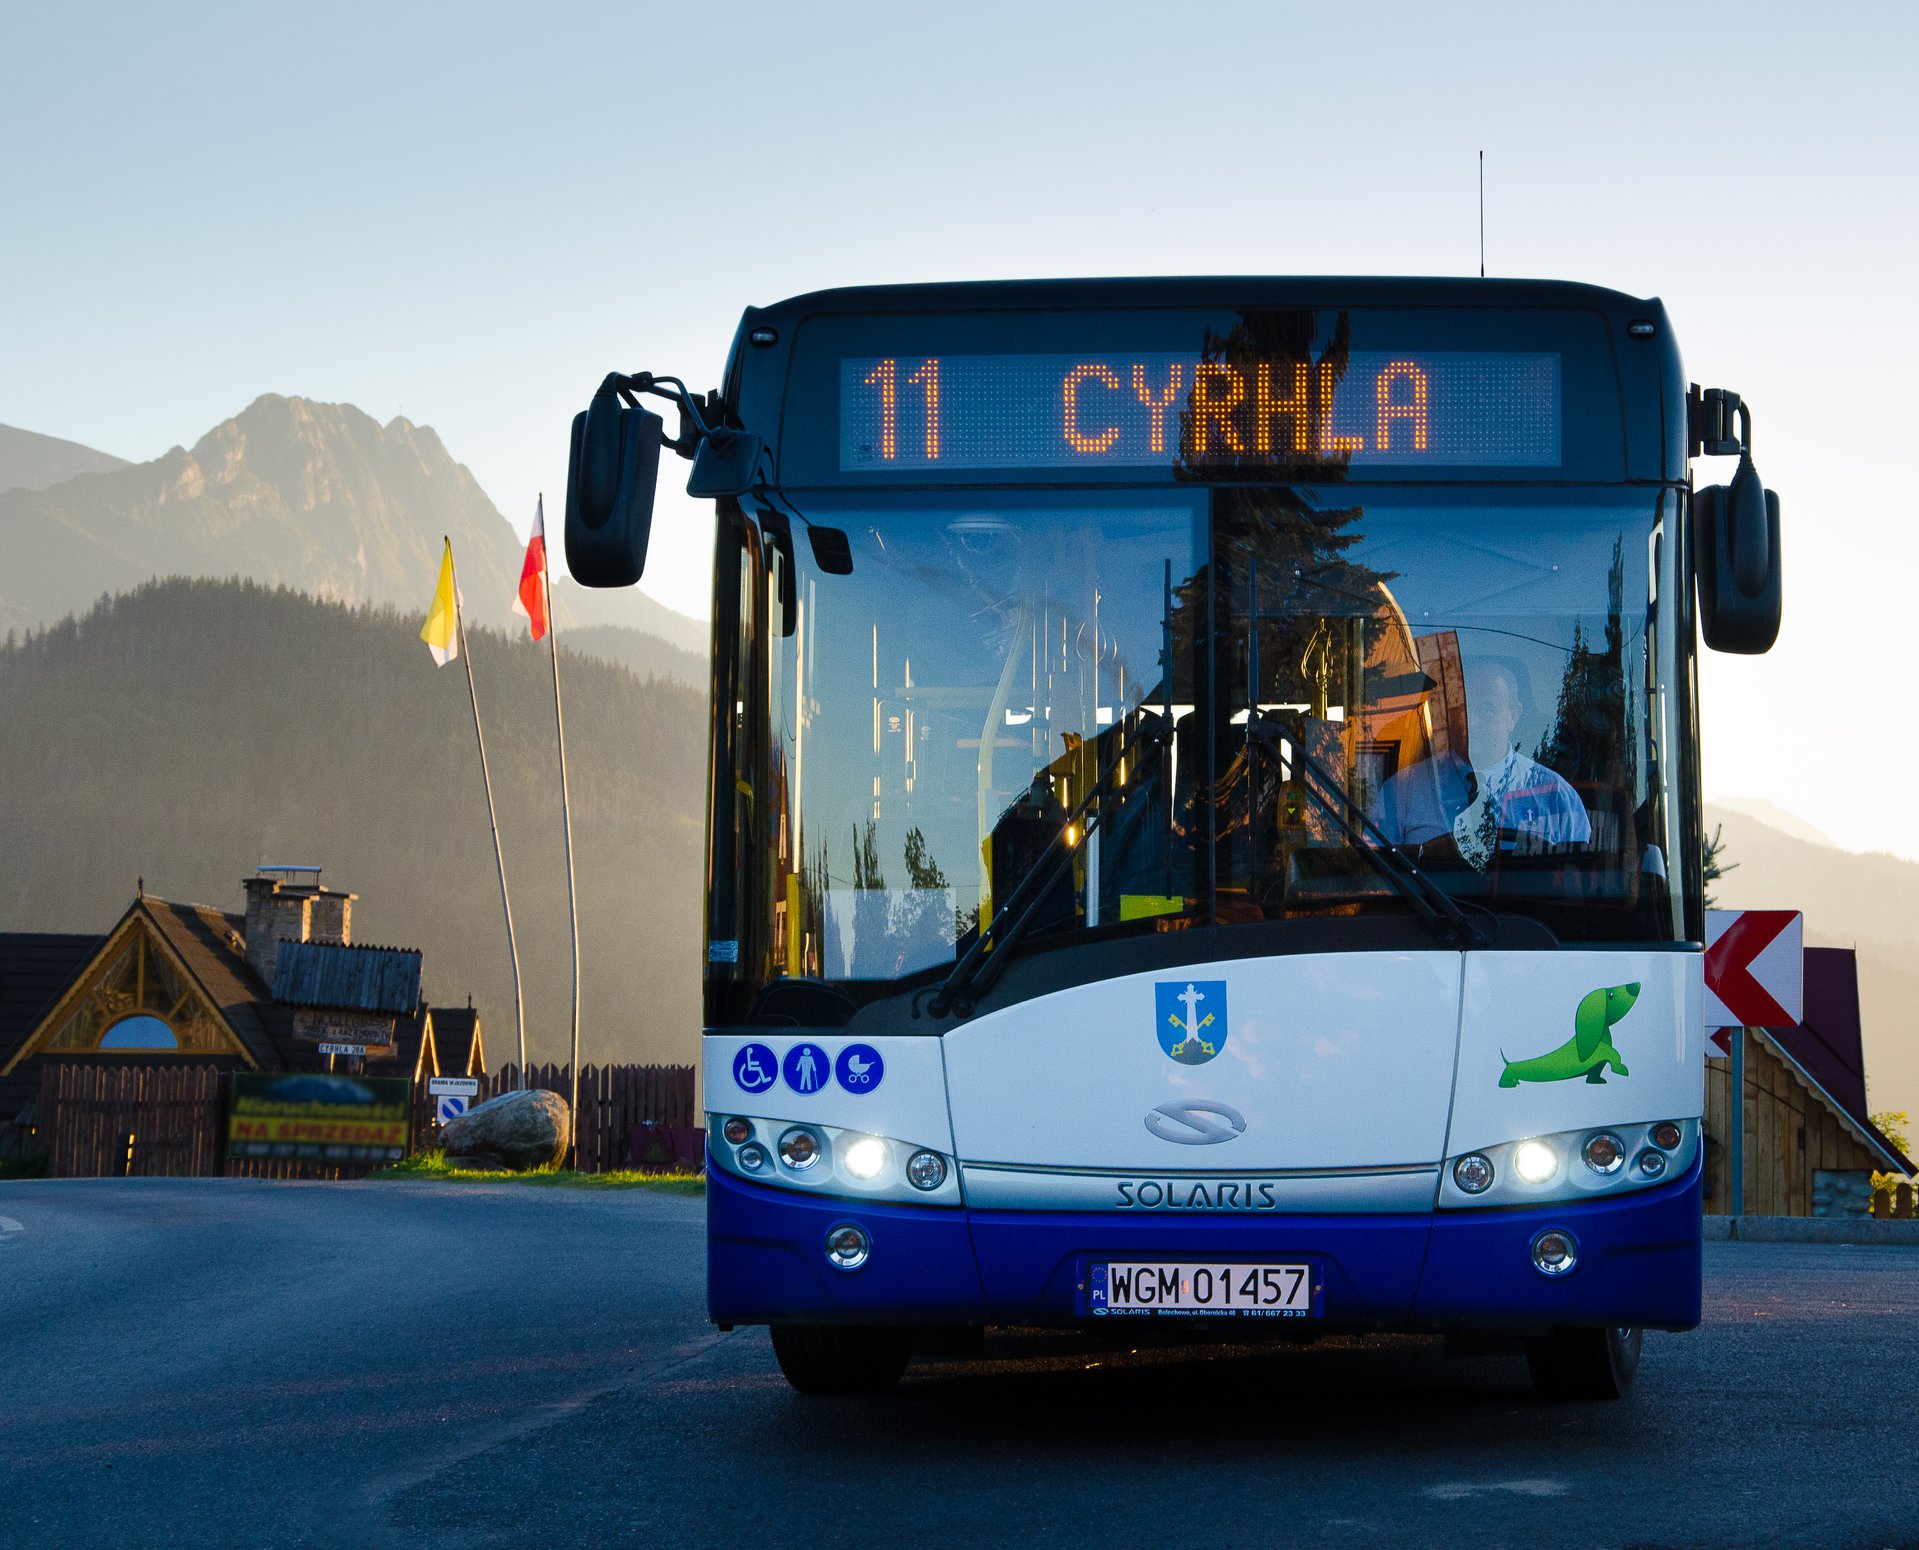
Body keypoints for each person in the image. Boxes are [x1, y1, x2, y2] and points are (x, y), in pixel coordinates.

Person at [1372, 659, 1591, 867]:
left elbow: (1578, 881)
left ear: (1513, 716)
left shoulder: (1556, 796)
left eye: (1486, 709)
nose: (1472, 721)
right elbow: (1376, 874)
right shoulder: (1402, 791)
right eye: (1462, 710)